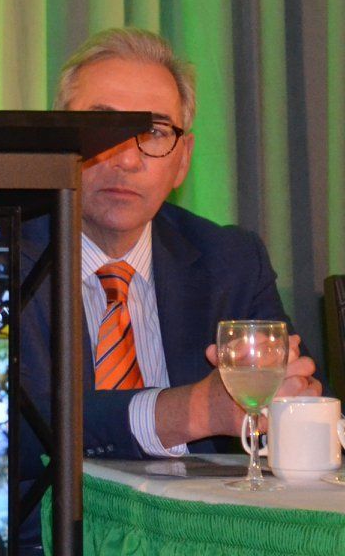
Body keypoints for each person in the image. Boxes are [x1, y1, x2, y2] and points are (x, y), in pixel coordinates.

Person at [21, 28, 318, 463]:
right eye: (100, 127)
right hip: (45, 530)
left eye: (156, 131)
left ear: (183, 160)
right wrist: (193, 410)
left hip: (202, 527)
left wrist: (290, 405)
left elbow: (306, 413)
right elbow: (5, 429)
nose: (126, 158)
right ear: (55, 139)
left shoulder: (231, 261)